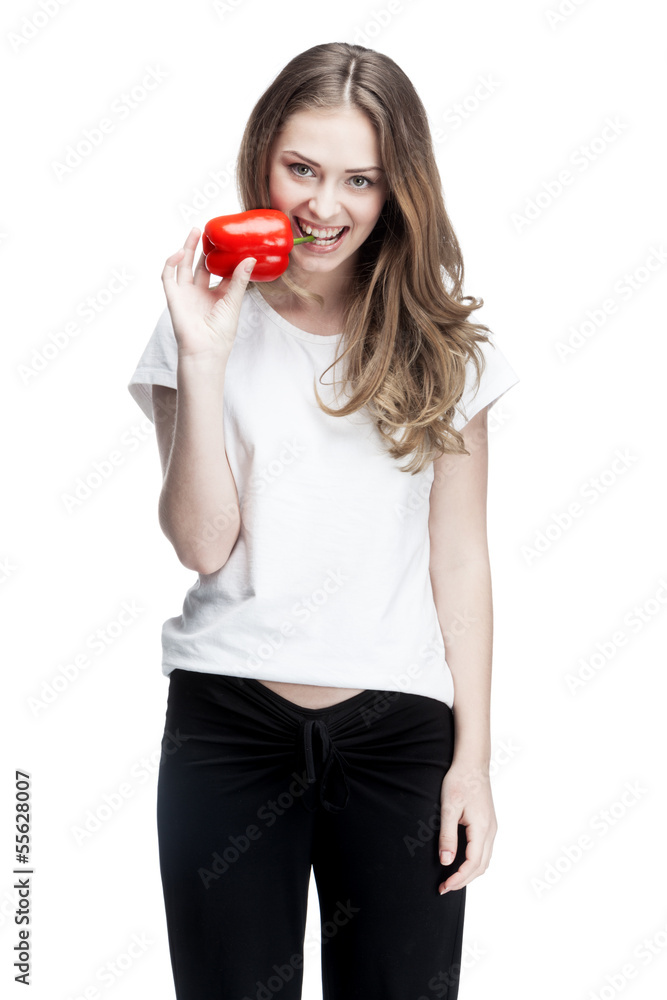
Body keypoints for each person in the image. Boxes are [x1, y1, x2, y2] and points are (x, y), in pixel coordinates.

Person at [127, 41, 520, 1000]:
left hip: (399, 735)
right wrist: (207, 355)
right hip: (229, 723)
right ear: (264, 158)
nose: (324, 205)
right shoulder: (199, 324)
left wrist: (471, 763)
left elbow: (459, 561)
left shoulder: (446, 350)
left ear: (398, 191)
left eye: (360, 180)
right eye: (301, 168)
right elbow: (200, 542)